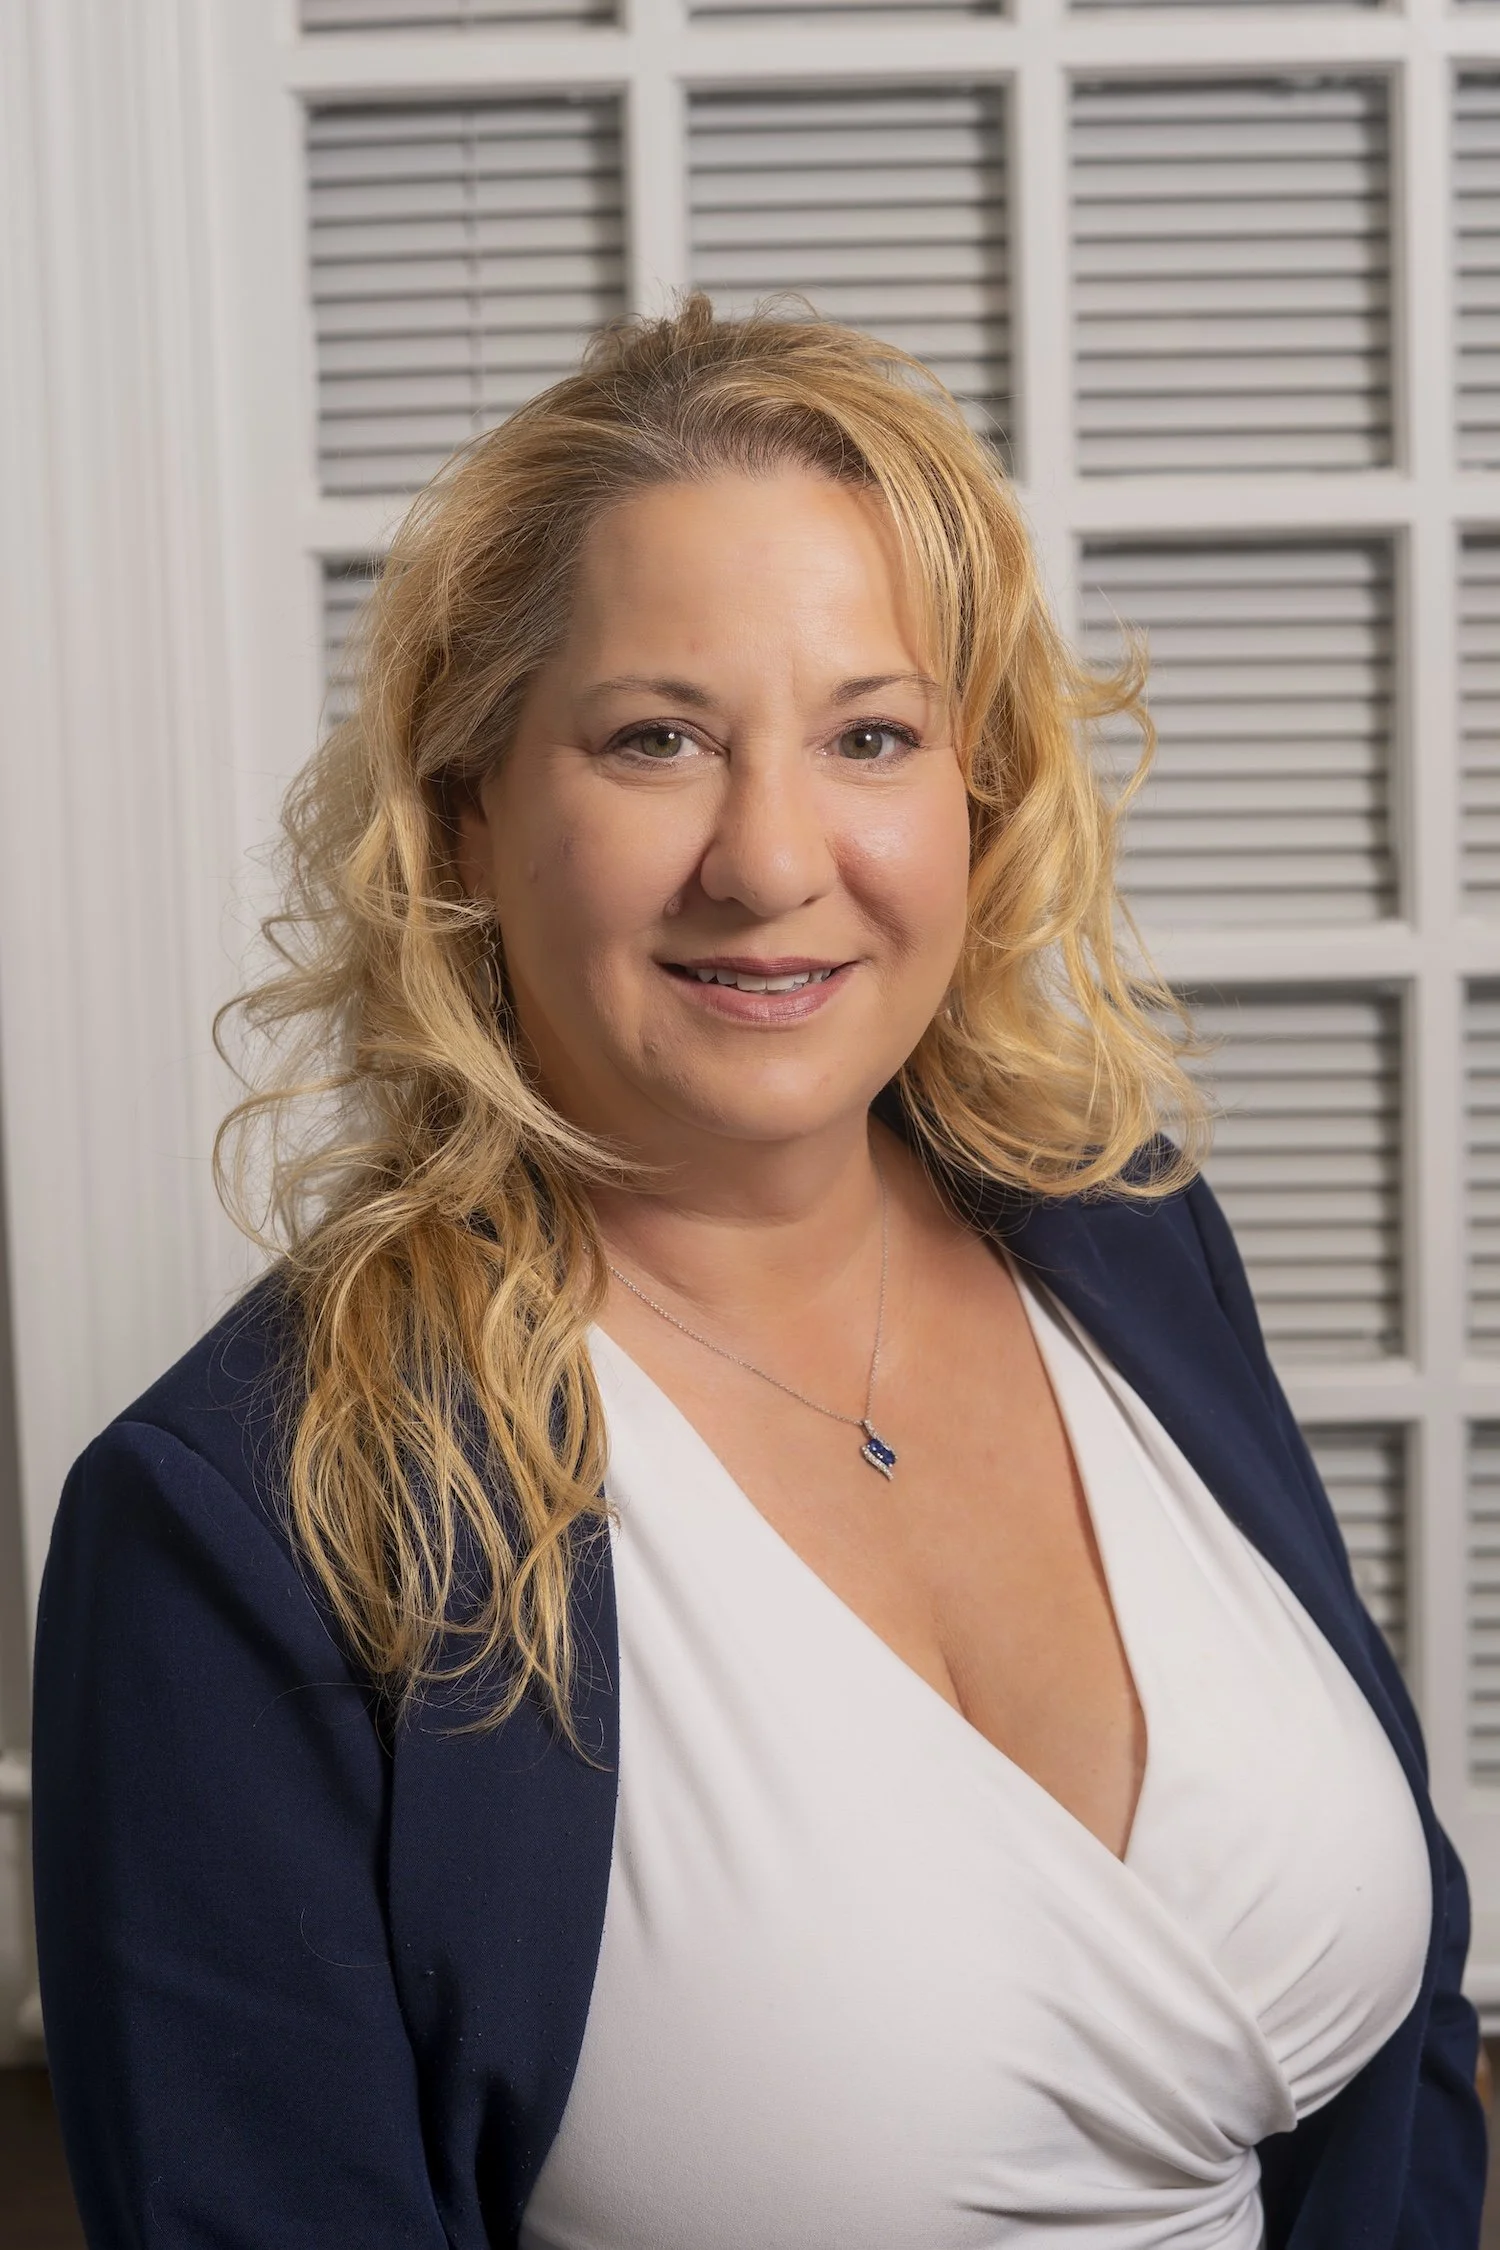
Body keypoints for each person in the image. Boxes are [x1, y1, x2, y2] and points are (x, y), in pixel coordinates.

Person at [31, 296, 1485, 2248]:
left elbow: (1406, 2035)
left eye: (869, 733)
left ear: (971, 794)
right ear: (471, 815)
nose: (773, 856)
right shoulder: (249, 1520)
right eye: (657, 740)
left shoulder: (1127, 1239)